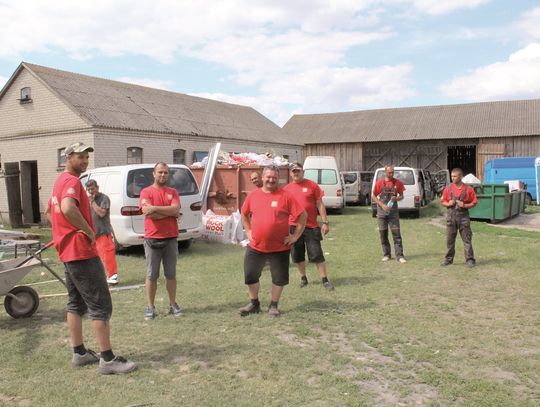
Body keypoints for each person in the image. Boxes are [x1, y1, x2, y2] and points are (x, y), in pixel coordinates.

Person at [48, 141, 136, 375]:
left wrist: (61, 235)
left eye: (87, 157)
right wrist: (88, 230)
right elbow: (67, 208)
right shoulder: (71, 182)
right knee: (100, 305)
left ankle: (79, 353)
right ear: (68, 158)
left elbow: (51, 213)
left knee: (75, 303)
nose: (85, 161)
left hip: (68, 252)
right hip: (81, 252)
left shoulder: (58, 182)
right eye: (80, 157)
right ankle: (107, 360)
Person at [239, 166, 307, 317]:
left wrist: (295, 236)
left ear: (278, 178)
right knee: (250, 275)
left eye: (274, 177)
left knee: (279, 278)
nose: (271, 180)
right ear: (262, 178)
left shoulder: (286, 196)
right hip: (256, 246)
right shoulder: (253, 196)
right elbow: (244, 214)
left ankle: (273, 305)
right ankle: (254, 303)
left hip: (280, 247)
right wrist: (248, 231)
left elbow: (303, 215)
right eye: (268, 177)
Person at [139, 162, 183, 320]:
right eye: (160, 172)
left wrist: (156, 208)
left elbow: (176, 210)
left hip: (170, 238)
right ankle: (150, 307)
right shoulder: (146, 192)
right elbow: (148, 214)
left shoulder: (173, 191)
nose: (163, 175)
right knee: (152, 275)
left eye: (165, 172)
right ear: (154, 174)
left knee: (171, 274)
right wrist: (169, 212)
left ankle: (173, 304)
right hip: (152, 238)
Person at [283, 162, 334, 290]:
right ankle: (303, 278)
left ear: (303, 172)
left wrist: (325, 222)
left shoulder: (312, 185)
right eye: (293, 171)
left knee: (317, 254)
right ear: (290, 173)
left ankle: (325, 279)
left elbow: (320, 204)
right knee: (297, 255)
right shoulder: (286, 189)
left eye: (298, 170)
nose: (296, 173)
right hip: (294, 226)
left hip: (311, 226)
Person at [440, 168, 478, 268]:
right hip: (450, 218)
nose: (453, 178)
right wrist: (448, 203)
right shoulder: (448, 189)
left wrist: (464, 205)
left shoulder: (468, 189)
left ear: (460, 176)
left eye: (455, 176)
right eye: (452, 176)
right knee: (449, 240)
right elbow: (443, 202)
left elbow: (474, 203)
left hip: (463, 218)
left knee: (467, 239)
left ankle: (470, 259)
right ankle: (448, 259)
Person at [371, 164, 407, 263]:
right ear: (385, 172)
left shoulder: (398, 183)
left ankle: (399, 256)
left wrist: (397, 198)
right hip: (382, 213)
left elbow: (402, 196)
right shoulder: (379, 183)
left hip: (393, 213)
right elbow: (373, 196)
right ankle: (387, 254)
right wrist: (381, 205)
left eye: (392, 172)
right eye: (389, 172)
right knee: (383, 233)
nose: (391, 174)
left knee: (396, 234)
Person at [85, 179, 118, 285]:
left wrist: (92, 202)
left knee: (107, 257)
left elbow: (102, 213)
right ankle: (101, 278)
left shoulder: (104, 198)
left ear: (97, 188)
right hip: (93, 234)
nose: (91, 191)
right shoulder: (87, 200)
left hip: (104, 233)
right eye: (89, 189)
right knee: (96, 259)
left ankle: (112, 278)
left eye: (93, 189)